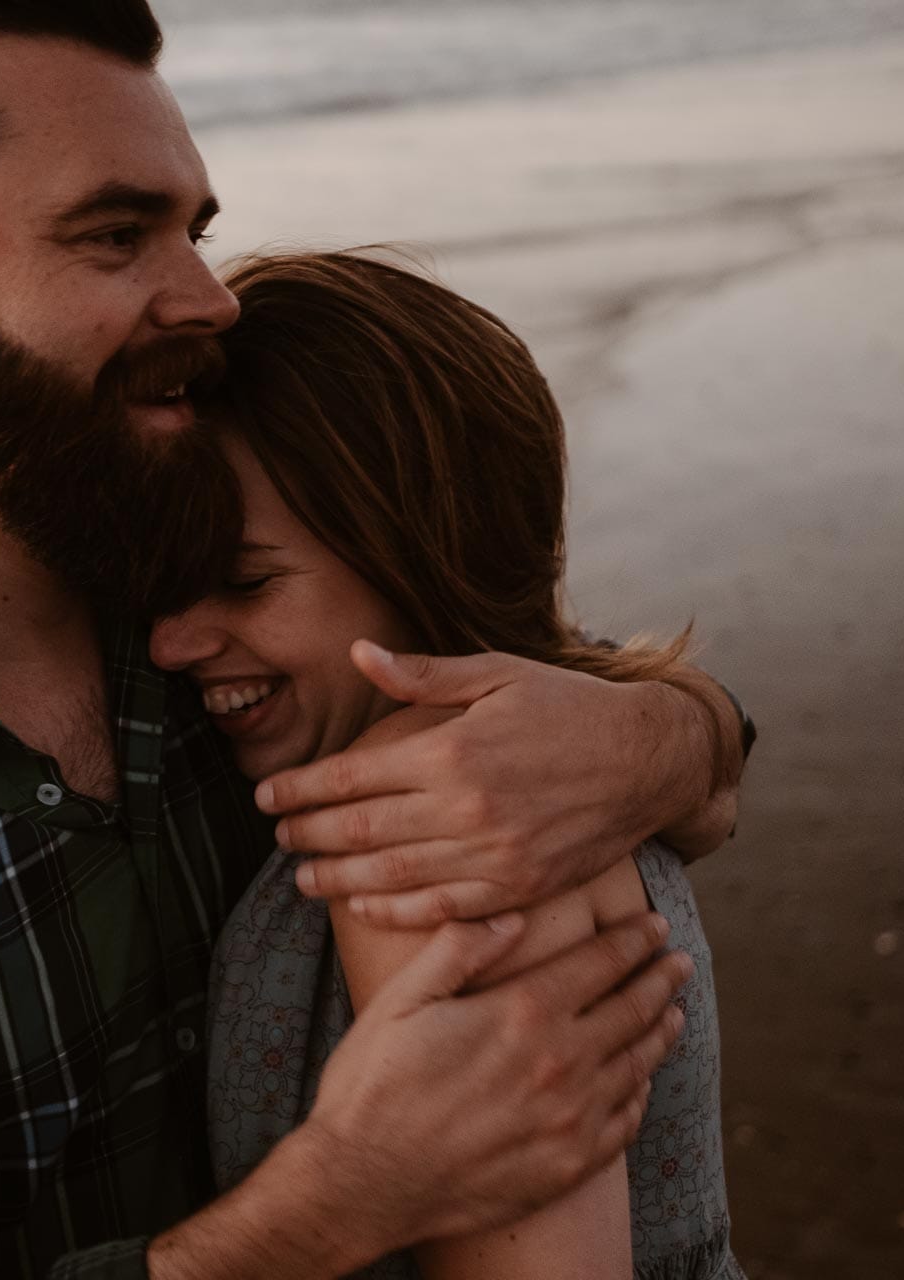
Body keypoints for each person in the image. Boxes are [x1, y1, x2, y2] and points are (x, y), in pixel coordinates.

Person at [0, 2, 751, 1276]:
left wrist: (667, 736)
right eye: (115, 235)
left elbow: (512, 682)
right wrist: (331, 1202)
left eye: (194, 232)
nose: (205, 299)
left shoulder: (183, 543)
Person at [151, 250, 746, 1279]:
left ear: (417, 554)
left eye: (242, 583)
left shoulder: (446, 830)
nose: (171, 640)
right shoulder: (550, 739)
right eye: (162, 581)